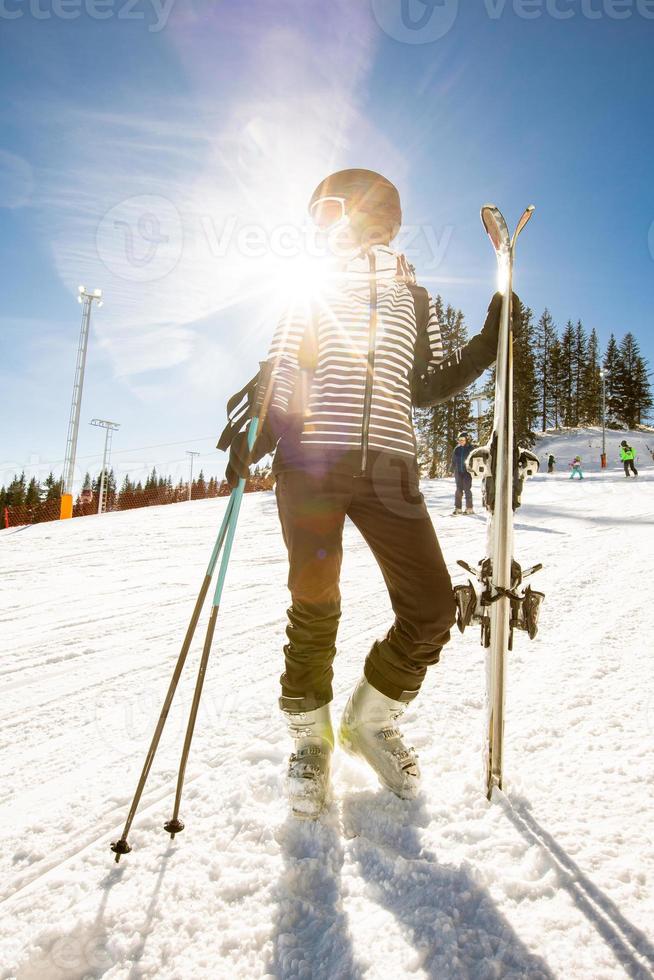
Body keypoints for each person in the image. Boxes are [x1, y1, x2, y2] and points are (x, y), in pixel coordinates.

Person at [226, 168, 514, 819]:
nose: (324, 226)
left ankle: (368, 718)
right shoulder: (311, 287)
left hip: (391, 466)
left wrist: (492, 334)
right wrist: (262, 425)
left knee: (434, 607)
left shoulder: (414, 297)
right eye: (319, 216)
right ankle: (310, 740)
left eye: (331, 211)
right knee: (314, 598)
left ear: (372, 214)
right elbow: (285, 367)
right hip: (314, 464)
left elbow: (429, 384)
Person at [451, 432, 474, 514]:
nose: (461, 441)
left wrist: (472, 469)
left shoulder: (471, 449)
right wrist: (453, 469)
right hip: (458, 472)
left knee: (467, 489)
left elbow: (474, 460)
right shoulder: (457, 449)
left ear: (466, 440)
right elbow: (453, 460)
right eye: (459, 440)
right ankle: (458, 508)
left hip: (467, 472)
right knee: (458, 490)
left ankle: (469, 508)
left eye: (462, 440)